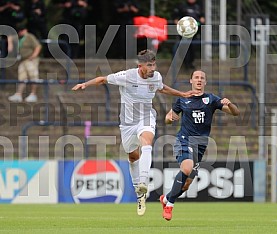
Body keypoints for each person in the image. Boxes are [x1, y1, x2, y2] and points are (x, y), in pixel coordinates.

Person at [71, 49, 199, 216]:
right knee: (133, 157)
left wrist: (181, 93)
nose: (152, 68)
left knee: (147, 142)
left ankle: (143, 181)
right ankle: (140, 194)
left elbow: (161, 88)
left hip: (146, 118)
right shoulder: (127, 76)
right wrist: (85, 84)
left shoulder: (156, 76)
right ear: (140, 66)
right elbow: (103, 79)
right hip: (127, 123)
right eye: (149, 65)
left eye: (154, 64)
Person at [160, 70, 240, 221]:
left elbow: (235, 113)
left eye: (202, 78)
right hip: (184, 140)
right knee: (186, 167)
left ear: (205, 82)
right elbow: (168, 118)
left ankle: (165, 199)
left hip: (200, 145)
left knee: (186, 185)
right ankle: (169, 205)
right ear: (191, 81)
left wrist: (230, 104)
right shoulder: (183, 99)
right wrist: (170, 119)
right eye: (196, 77)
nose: (199, 80)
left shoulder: (211, 99)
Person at [8, 23, 42, 102]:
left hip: (30, 60)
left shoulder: (29, 36)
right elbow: (10, 38)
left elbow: (38, 46)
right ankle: (18, 94)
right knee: (22, 77)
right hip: (23, 60)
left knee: (33, 76)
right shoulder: (20, 38)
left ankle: (33, 94)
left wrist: (33, 56)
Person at [173, 0, 205, 69]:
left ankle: (191, 62)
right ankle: (186, 63)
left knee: (193, 48)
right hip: (184, 32)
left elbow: (202, 18)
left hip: (195, 32)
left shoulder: (198, 7)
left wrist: (200, 22)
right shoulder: (182, 6)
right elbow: (176, 18)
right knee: (184, 47)